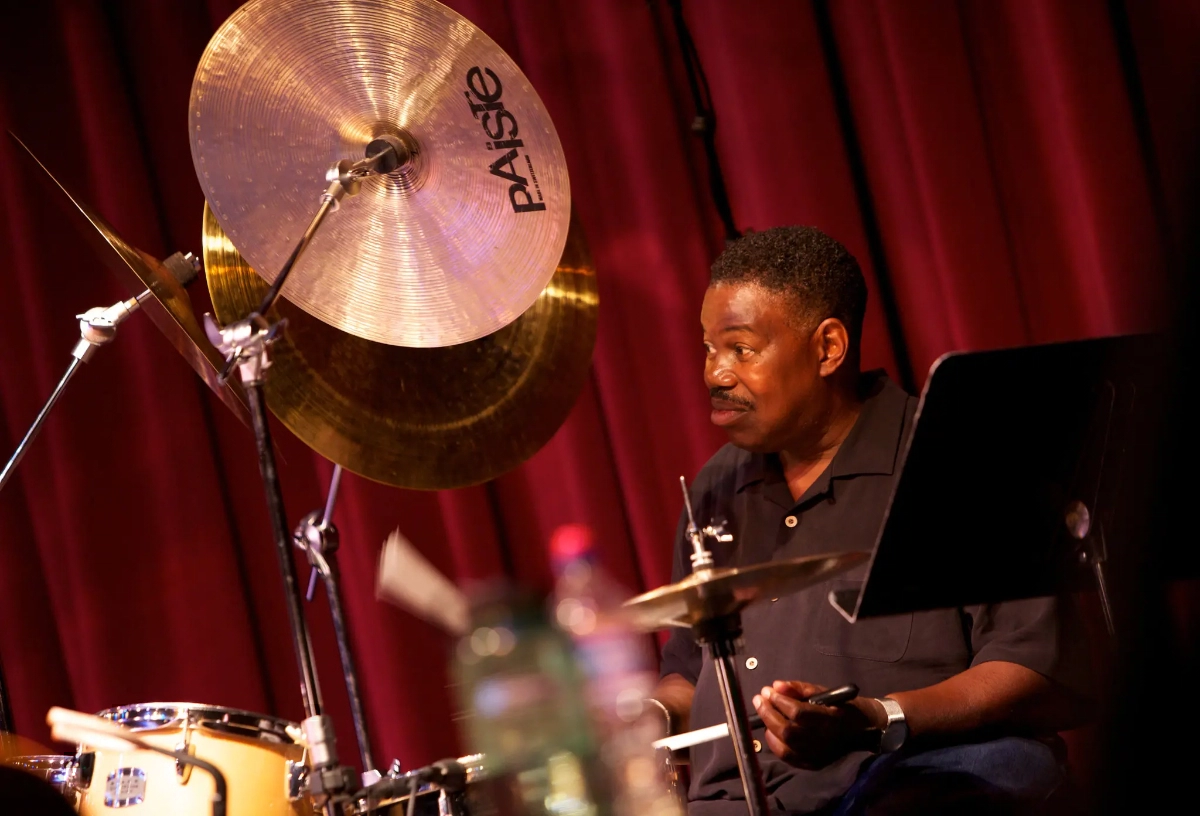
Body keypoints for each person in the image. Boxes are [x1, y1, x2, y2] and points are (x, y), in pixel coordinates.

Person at [649, 226, 1093, 815]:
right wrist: (644, 717)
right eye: (709, 348)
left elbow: (1037, 667)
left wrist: (874, 719)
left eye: (741, 349)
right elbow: (687, 676)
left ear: (828, 348)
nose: (715, 374)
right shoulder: (713, 489)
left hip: (902, 786)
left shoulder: (956, 457)